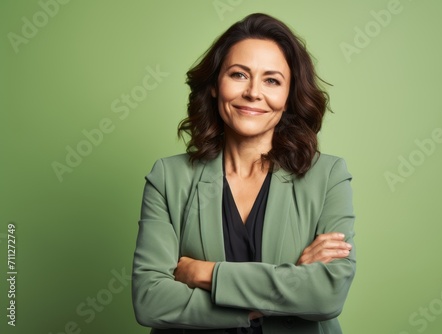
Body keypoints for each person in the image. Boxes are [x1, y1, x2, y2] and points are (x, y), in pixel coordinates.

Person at [132, 13, 356, 334]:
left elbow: (326, 295)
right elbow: (150, 300)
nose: (253, 92)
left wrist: (206, 274)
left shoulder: (328, 175)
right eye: (239, 75)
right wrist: (288, 285)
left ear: (289, 95)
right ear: (213, 86)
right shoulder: (168, 177)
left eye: (272, 80)